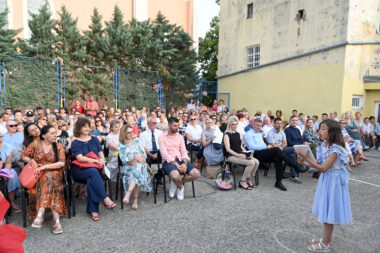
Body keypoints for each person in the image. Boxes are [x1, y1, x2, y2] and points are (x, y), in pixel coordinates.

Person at [296, 120, 352, 252]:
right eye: (320, 128)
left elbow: (324, 168)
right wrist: (304, 162)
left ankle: (326, 243)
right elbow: (318, 164)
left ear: (332, 132)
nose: (319, 131)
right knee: (326, 210)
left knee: (329, 212)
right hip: (326, 180)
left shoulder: (335, 149)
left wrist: (308, 159)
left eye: (323, 129)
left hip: (333, 183)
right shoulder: (324, 146)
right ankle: (325, 239)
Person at [21, 126, 66, 234]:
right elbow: (24, 156)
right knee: (48, 180)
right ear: (44, 135)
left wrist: (45, 167)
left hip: (54, 171)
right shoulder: (36, 145)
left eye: (56, 133)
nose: (56, 135)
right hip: (38, 174)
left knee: (49, 177)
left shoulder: (58, 146)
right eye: (52, 133)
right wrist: (32, 161)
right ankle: (56, 220)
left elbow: (62, 163)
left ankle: (40, 213)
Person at [70, 118, 116, 221]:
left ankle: (93, 210)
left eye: (88, 126)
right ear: (78, 128)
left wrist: (102, 160)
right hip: (80, 169)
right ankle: (105, 199)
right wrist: (95, 161)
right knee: (93, 173)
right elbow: (80, 158)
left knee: (93, 178)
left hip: (95, 169)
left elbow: (100, 153)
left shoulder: (95, 139)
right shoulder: (75, 142)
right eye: (84, 126)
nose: (87, 128)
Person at [245, 119, 300, 191]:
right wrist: (265, 147)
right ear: (253, 125)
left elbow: (263, 144)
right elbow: (251, 146)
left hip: (264, 152)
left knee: (278, 158)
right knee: (277, 149)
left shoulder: (259, 134)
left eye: (260, 125)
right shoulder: (248, 134)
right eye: (257, 125)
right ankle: (294, 165)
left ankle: (278, 182)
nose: (259, 127)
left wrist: (265, 147)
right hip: (255, 154)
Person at [158, 117, 200, 200]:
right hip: (168, 161)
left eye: (177, 126)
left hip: (181, 160)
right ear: (169, 125)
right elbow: (164, 154)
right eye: (174, 126)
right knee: (175, 175)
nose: (177, 128)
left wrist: (184, 163)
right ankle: (181, 187)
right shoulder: (162, 137)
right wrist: (176, 164)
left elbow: (184, 151)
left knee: (196, 174)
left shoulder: (180, 137)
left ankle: (176, 183)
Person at [118, 124, 152, 210]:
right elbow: (124, 159)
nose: (131, 134)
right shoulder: (121, 145)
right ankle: (134, 199)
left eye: (132, 132)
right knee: (139, 170)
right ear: (124, 134)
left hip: (139, 165)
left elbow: (144, 154)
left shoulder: (137, 141)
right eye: (128, 132)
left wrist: (139, 158)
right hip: (129, 168)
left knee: (139, 167)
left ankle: (128, 194)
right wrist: (134, 158)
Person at [223, 117, 259, 189]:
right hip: (231, 156)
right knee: (251, 163)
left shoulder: (238, 134)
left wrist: (247, 153)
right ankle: (242, 181)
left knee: (256, 161)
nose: (235, 126)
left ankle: (248, 179)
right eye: (233, 124)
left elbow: (240, 147)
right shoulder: (226, 134)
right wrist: (239, 155)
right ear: (229, 125)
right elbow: (228, 149)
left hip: (239, 153)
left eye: (236, 124)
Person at [0, 133, 22, 213]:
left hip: (4, 167)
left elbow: (8, 163)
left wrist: (6, 172)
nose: (0, 138)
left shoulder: (7, 146)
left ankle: (12, 202)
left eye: (1, 136)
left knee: (12, 175)